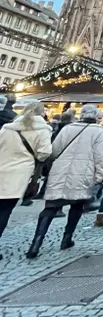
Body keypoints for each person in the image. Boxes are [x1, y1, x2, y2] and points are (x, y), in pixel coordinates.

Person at [26, 103, 103, 258]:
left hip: (60, 172)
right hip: (83, 173)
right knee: (77, 205)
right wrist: (99, 177)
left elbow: (54, 151)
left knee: (50, 207)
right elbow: (100, 156)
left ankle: (35, 244)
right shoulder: (98, 132)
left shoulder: (67, 128)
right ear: (95, 115)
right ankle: (66, 238)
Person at [0, 100, 52, 258]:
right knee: (4, 210)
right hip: (19, 174)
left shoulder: (8, 128)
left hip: (1, 167)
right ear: (42, 112)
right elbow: (44, 153)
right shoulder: (43, 130)